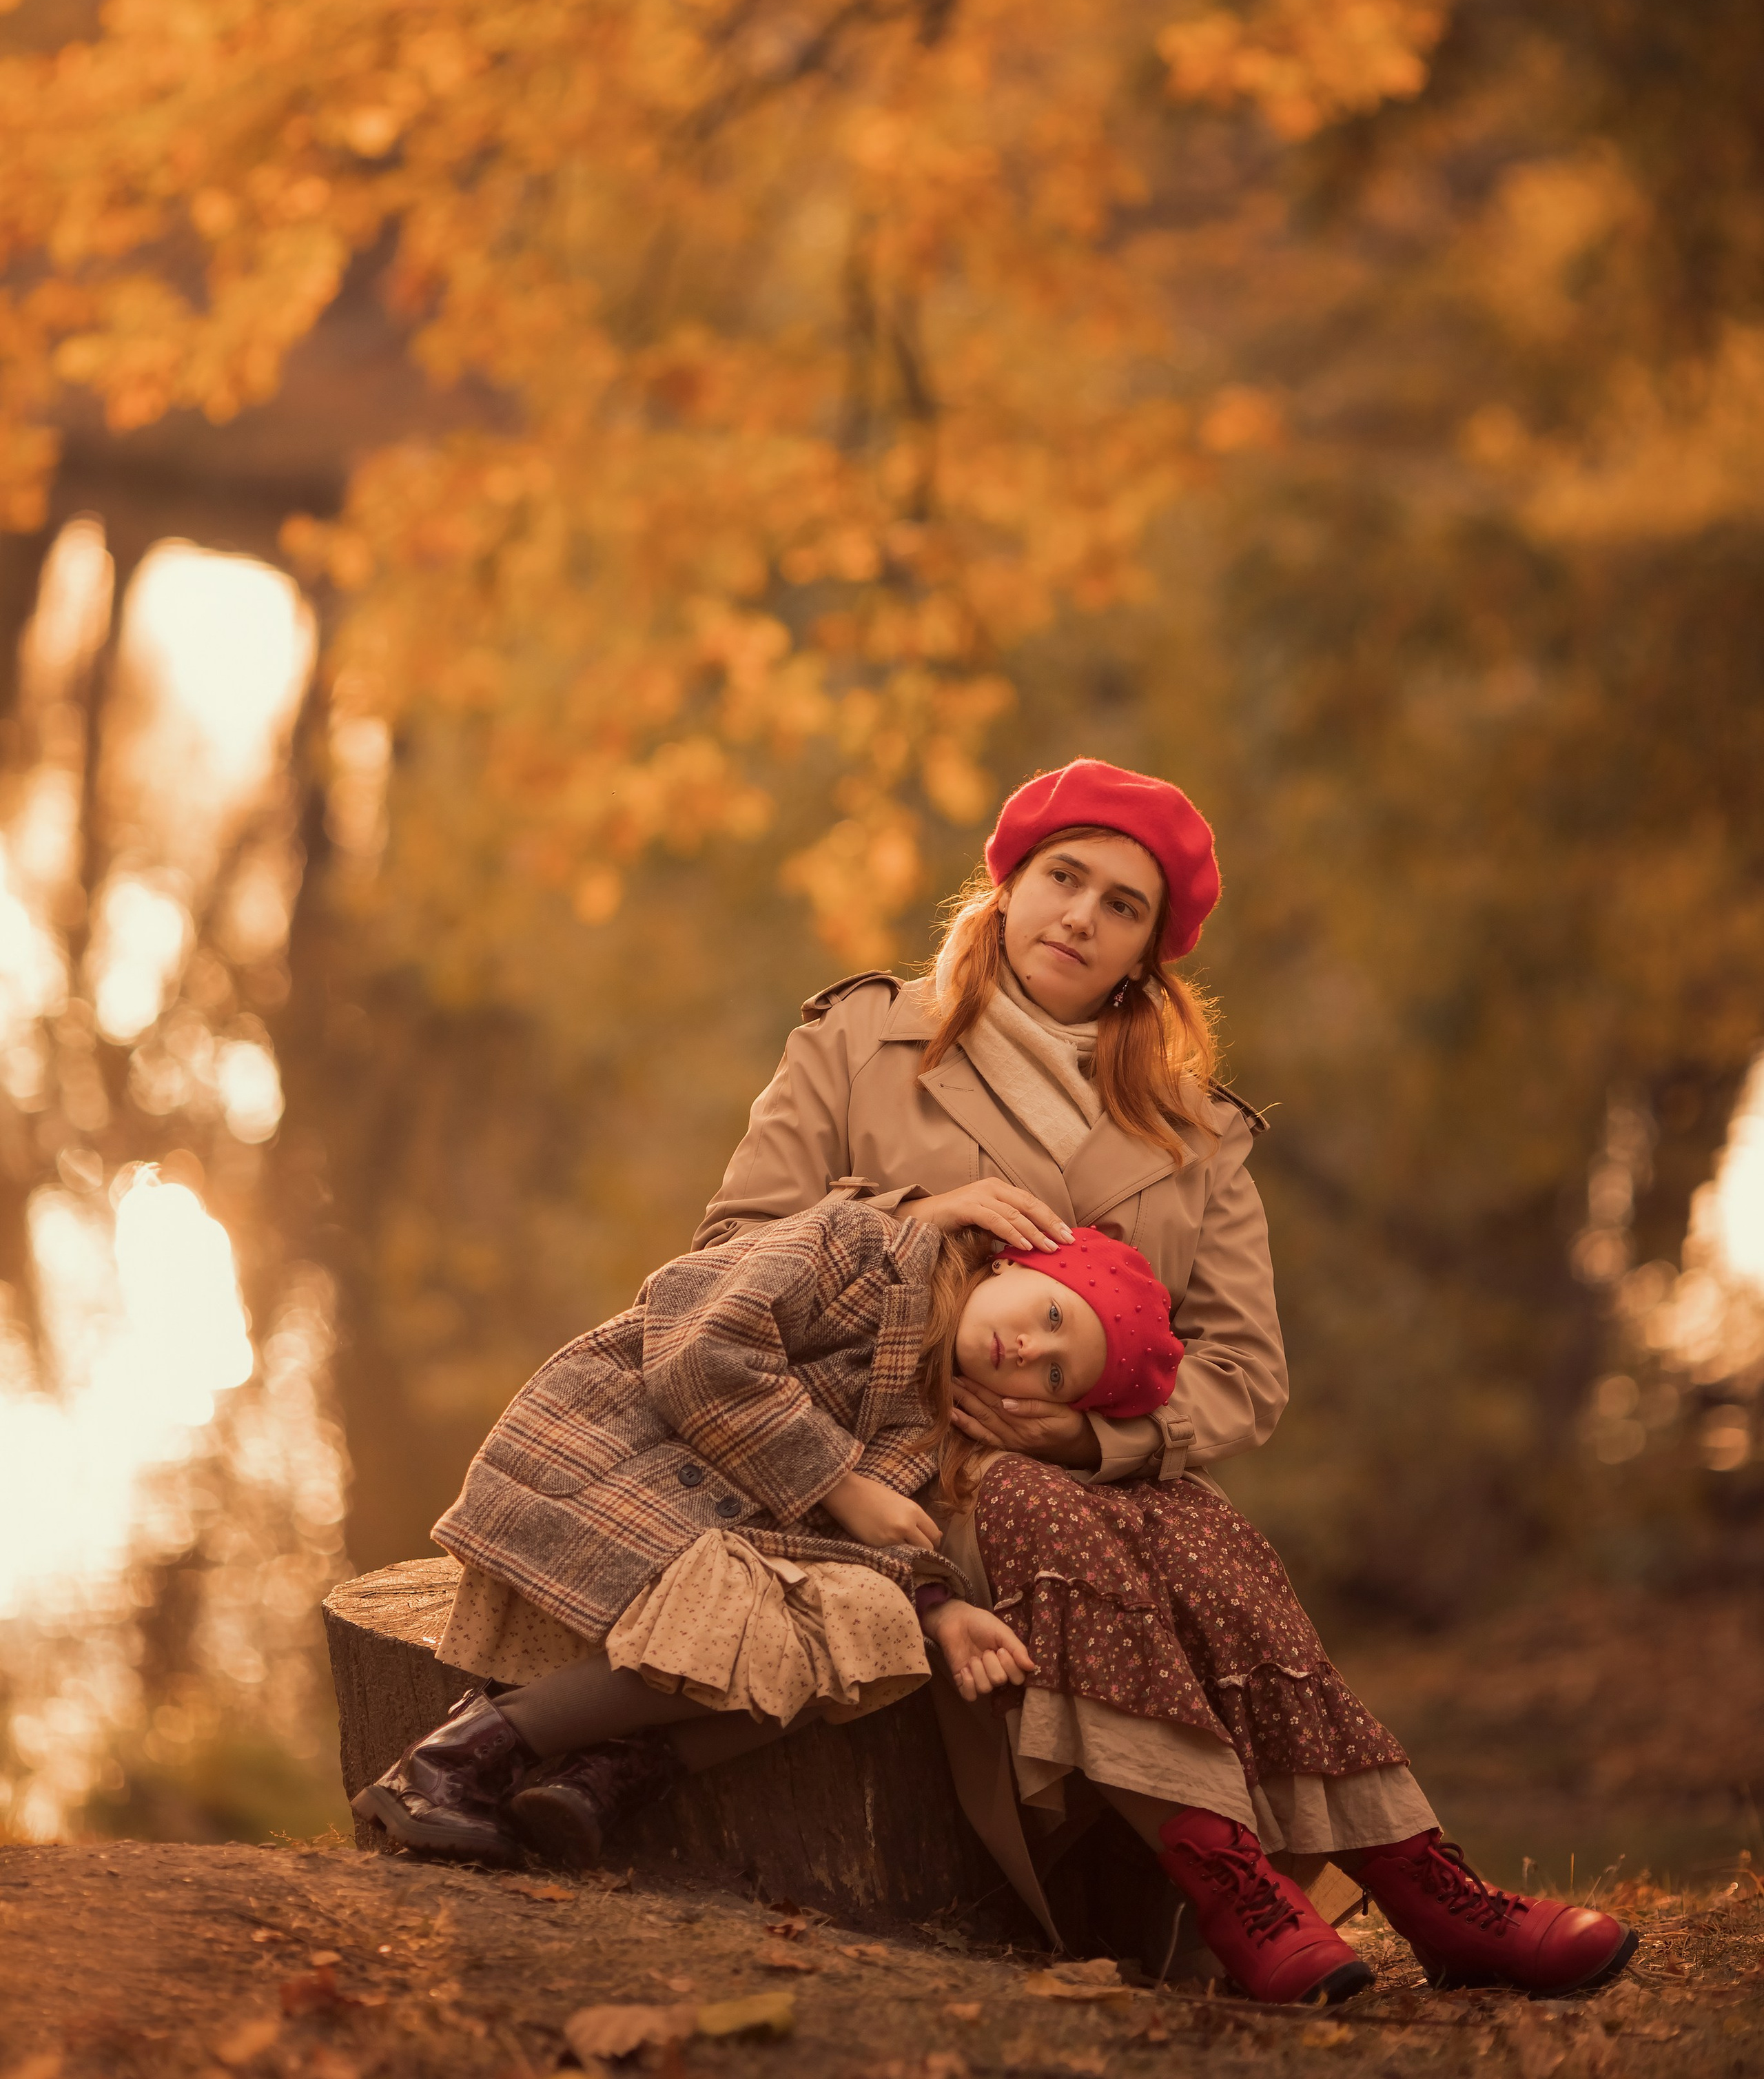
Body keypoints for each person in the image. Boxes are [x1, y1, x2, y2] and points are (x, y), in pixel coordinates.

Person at [680, 757, 1639, 2005]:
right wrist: (917, 1214)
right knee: (1032, 1507)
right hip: (899, 1464)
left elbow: (1245, 1374)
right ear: (1008, 887)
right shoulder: (860, 1041)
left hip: (1104, 1473)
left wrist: (1092, 1438)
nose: (1080, 915)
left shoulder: (1195, 1133)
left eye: (1120, 905)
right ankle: (1230, 1886)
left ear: (1147, 952)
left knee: (1224, 1548)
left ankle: (1427, 1886)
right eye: (1062, 878)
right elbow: (725, 1260)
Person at [352, 1190, 1180, 1893]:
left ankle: (608, 1772)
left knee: (874, 1630)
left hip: (723, 1538)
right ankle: (451, 1757)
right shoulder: (863, 1246)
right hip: (621, 1472)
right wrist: (840, 1484)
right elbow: (700, 1347)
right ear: (1014, 1262)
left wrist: (940, 1609)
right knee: (754, 1615)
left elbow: (838, 1552)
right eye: (1048, 1314)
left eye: (1053, 1374)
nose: (1029, 1348)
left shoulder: (934, 1420)